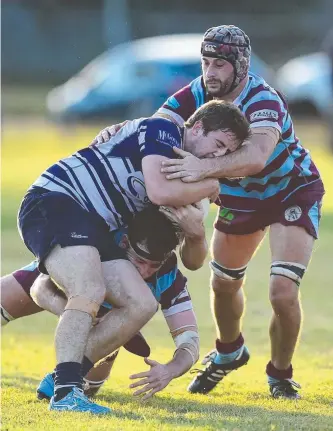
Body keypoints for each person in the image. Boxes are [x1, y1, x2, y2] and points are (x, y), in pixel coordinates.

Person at [92, 25, 325, 399]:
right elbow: (157, 127)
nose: (210, 71)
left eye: (219, 63)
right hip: (237, 197)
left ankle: (280, 374)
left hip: (289, 191)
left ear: (241, 66)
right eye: (206, 62)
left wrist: (202, 169)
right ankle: (229, 352)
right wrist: (120, 131)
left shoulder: (263, 99)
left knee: (282, 291)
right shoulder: (197, 93)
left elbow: (256, 156)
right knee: (223, 283)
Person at [17, 100, 250, 413]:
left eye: (226, 154)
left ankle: (62, 380)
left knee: (142, 304)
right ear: (195, 127)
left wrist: (197, 226)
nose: (218, 157)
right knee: (87, 290)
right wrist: (211, 181)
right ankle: (67, 394)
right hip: (58, 200)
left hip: (95, 227)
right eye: (218, 144)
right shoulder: (164, 129)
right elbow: (157, 191)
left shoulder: (185, 173)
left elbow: (192, 260)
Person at [2, 203, 206, 400]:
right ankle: (111, 326)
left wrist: (169, 370)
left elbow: (190, 343)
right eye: (140, 261)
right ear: (124, 242)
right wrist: (78, 317)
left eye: (154, 265)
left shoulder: (169, 277)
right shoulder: (97, 247)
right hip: (58, 280)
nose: (144, 272)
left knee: (87, 387)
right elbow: (39, 288)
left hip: (102, 319)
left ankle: (112, 338)